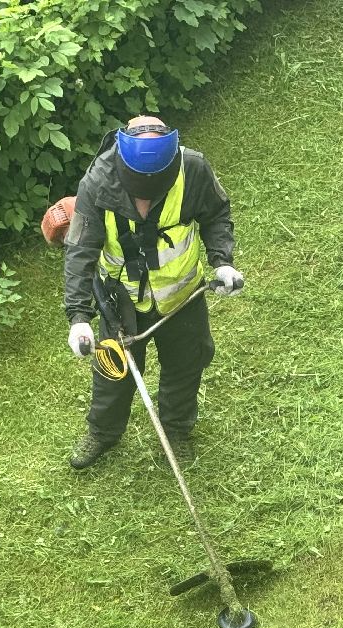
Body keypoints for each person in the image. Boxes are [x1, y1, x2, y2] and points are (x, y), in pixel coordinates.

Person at [61, 115, 244, 469]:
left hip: (183, 296)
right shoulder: (97, 182)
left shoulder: (192, 170)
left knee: (186, 364)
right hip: (120, 301)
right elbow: (80, 249)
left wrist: (222, 262)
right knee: (113, 373)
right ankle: (102, 433)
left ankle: (176, 431)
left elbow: (217, 214)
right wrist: (79, 318)